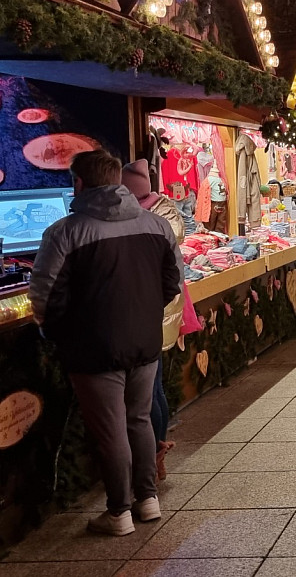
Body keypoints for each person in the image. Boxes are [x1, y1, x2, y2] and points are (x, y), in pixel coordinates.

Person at [29, 150, 182, 536]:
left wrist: (57, 331)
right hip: (145, 341)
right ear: (117, 180)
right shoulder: (156, 225)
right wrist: (144, 315)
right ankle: (147, 499)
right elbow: (172, 282)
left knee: (111, 429)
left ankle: (119, 513)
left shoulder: (65, 232)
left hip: (93, 346)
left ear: (78, 183)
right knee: (139, 419)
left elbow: (45, 296)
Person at [122, 159, 185, 482]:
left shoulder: (153, 215)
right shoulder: (157, 215)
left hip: (151, 315)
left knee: (150, 391)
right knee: (152, 388)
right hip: (155, 311)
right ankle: (156, 454)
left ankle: (154, 455)